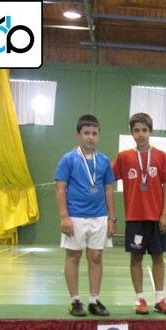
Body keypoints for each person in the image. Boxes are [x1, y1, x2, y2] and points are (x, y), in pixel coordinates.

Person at [112, 112, 166, 314]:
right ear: (131, 133)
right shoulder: (124, 157)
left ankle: (160, 298)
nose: (140, 134)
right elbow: (107, 178)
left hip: (156, 218)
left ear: (150, 131)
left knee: (158, 257)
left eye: (144, 130)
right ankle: (140, 299)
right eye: (136, 130)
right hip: (134, 218)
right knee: (136, 258)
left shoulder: (161, 156)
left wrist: (165, 214)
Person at [55, 114, 116, 317]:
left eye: (94, 133)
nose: (90, 137)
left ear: (99, 135)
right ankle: (75, 301)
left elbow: (108, 189)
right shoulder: (68, 159)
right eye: (86, 133)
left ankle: (93, 300)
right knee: (74, 256)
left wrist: (112, 218)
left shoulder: (104, 160)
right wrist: (64, 217)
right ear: (78, 135)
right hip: (75, 216)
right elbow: (60, 189)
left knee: (96, 256)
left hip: (99, 216)